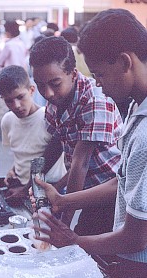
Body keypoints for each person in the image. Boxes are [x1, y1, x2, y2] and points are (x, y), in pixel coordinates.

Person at [31, 9, 147, 278]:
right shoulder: (135, 106)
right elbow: (122, 181)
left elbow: (137, 236)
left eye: (100, 74)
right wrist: (61, 197)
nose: (99, 83)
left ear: (125, 62)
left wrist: (74, 239)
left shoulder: (143, 133)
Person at [29, 35, 123, 236]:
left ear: (73, 73)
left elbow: (80, 163)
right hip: (84, 191)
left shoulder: (95, 100)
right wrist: (35, 182)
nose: (48, 93)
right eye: (40, 84)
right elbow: (58, 143)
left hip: (111, 193)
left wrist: (63, 223)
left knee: (90, 249)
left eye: (55, 83)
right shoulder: (57, 99)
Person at [0, 65, 66, 204]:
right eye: (9, 100)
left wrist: (57, 193)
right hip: (21, 187)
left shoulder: (49, 118)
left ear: (31, 90)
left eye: (20, 97)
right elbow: (22, 153)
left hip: (51, 188)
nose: (16, 105)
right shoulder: (7, 120)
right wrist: (13, 170)